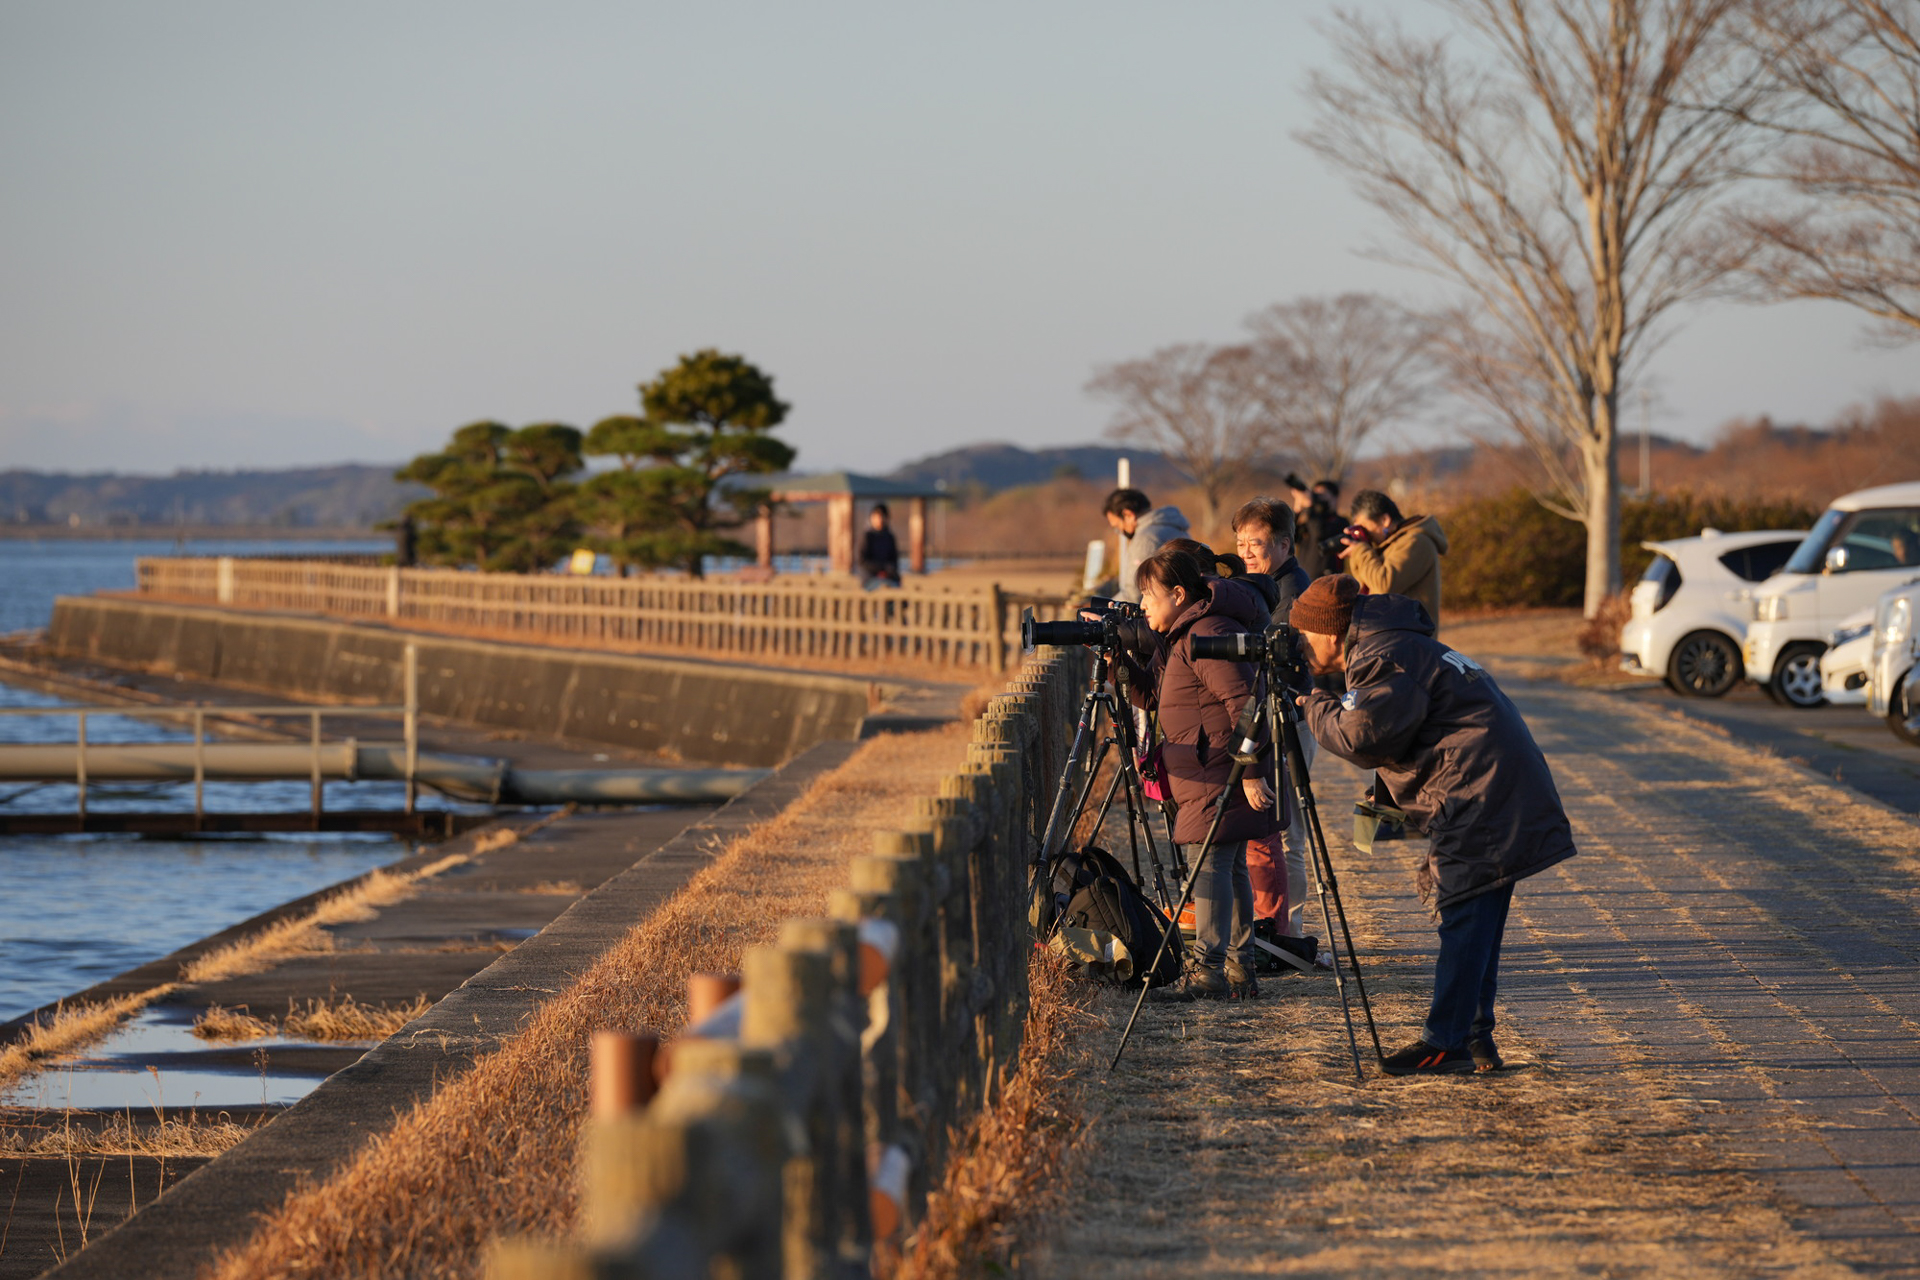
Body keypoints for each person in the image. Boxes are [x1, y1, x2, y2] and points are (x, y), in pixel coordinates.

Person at [1289, 574, 1577, 1075]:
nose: (1302, 646)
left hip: (1480, 793)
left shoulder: (1384, 656)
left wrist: (1312, 703)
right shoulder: (1399, 643)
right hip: (1497, 785)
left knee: (1464, 917)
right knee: (1477, 920)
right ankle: (1473, 1037)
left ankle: (1446, 1043)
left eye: (1305, 634)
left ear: (1331, 632)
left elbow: (1361, 736)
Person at [1118, 544, 1277, 1000]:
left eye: (1149, 595)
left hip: (1220, 770)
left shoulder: (1207, 633)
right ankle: (1240, 969)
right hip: (1211, 769)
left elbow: (1245, 702)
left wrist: (1251, 771)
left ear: (1178, 594)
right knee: (1228, 867)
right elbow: (1153, 695)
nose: (1142, 605)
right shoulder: (1183, 636)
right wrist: (1117, 665)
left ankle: (1208, 972)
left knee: (1210, 868)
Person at [1230, 497, 1316, 945]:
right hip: (1270, 715)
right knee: (1276, 832)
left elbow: (1268, 657)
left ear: (1284, 544)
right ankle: (1278, 930)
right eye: (1240, 543)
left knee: (1288, 834)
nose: (1246, 552)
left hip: (1289, 719)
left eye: (1256, 543)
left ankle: (1289, 933)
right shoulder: (1260, 584)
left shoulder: (1291, 592)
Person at [1337, 489, 1448, 624]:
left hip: (1411, 634)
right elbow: (1364, 588)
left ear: (1384, 520)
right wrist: (1359, 550)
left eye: (1364, 528)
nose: (1364, 533)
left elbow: (1384, 586)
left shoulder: (1416, 542)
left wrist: (1361, 551)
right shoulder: (1385, 546)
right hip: (1391, 631)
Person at [1105, 488, 1190, 605]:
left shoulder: (1145, 538)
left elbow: (1134, 594)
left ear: (1128, 515)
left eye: (1117, 527)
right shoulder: (1173, 527)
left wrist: (1104, 607)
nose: (1120, 532)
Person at [1286, 476, 1345, 579]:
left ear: (1335, 497)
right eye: (1315, 494)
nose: (1318, 498)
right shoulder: (1310, 519)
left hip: (1327, 578)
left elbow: (1319, 533)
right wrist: (1297, 510)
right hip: (1304, 577)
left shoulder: (1340, 522)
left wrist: (1309, 506)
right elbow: (1290, 538)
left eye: (1322, 494)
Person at [859, 503, 902, 589]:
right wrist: (880, 569)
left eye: (882, 516)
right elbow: (862, 561)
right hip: (870, 577)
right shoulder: (867, 537)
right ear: (871, 518)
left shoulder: (890, 537)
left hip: (888, 576)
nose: (880, 520)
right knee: (878, 585)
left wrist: (887, 571)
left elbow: (894, 561)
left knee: (894, 585)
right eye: (877, 517)